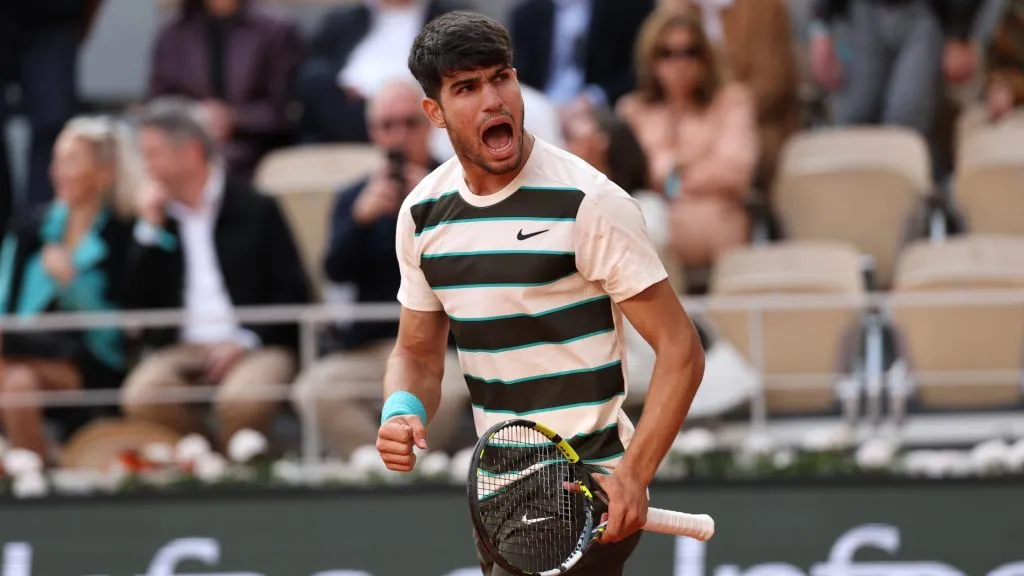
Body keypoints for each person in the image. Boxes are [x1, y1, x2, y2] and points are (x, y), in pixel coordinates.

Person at [374, 12, 706, 575]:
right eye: (466, 88)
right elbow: (417, 353)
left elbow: (681, 349)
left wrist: (633, 474)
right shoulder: (422, 214)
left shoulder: (589, 202)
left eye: (501, 78)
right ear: (434, 112)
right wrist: (402, 409)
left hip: (587, 489)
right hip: (499, 497)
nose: (492, 100)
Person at [292, 80, 471, 458]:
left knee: (452, 390)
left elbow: (474, 265)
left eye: (409, 123)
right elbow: (335, 272)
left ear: (430, 124)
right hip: (371, 345)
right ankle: (387, 466)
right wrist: (360, 220)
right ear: (373, 132)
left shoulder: (461, 185)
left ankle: (408, 465)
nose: (399, 136)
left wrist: (434, 210)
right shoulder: (353, 195)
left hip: (440, 343)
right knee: (314, 390)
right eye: (387, 125)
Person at [121, 97, 311, 449]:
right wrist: (148, 231)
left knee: (241, 400)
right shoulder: (155, 216)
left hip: (256, 342)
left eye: (153, 154)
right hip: (183, 347)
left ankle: (232, 466)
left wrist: (244, 340)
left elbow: (293, 290)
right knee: (142, 395)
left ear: (191, 150)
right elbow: (136, 305)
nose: (146, 166)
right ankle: (209, 460)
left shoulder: (255, 206)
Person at [0, 115, 139, 460]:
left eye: (71, 161)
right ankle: (35, 467)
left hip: (88, 360)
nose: (57, 172)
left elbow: (119, 330)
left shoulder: (124, 234)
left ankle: (29, 474)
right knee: (17, 381)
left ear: (105, 171)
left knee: (15, 381)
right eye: (57, 160)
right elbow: (4, 299)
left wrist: (71, 283)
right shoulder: (33, 229)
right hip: (18, 349)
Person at [617, 8, 758, 273]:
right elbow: (625, 176)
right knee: (640, 225)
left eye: (690, 52)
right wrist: (690, 167)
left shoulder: (731, 101)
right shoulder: (633, 110)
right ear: (651, 59)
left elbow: (735, 170)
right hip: (653, 220)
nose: (679, 63)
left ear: (705, 58)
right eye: (666, 53)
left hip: (715, 221)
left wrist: (671, 178)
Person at [147, 0, 305, 180]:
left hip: (257, 150)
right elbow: (158, 104)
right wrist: (196, 119)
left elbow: (286, 109)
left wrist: (233, 119)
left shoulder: (276, 30)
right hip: (187, 147)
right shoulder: (174, 32)